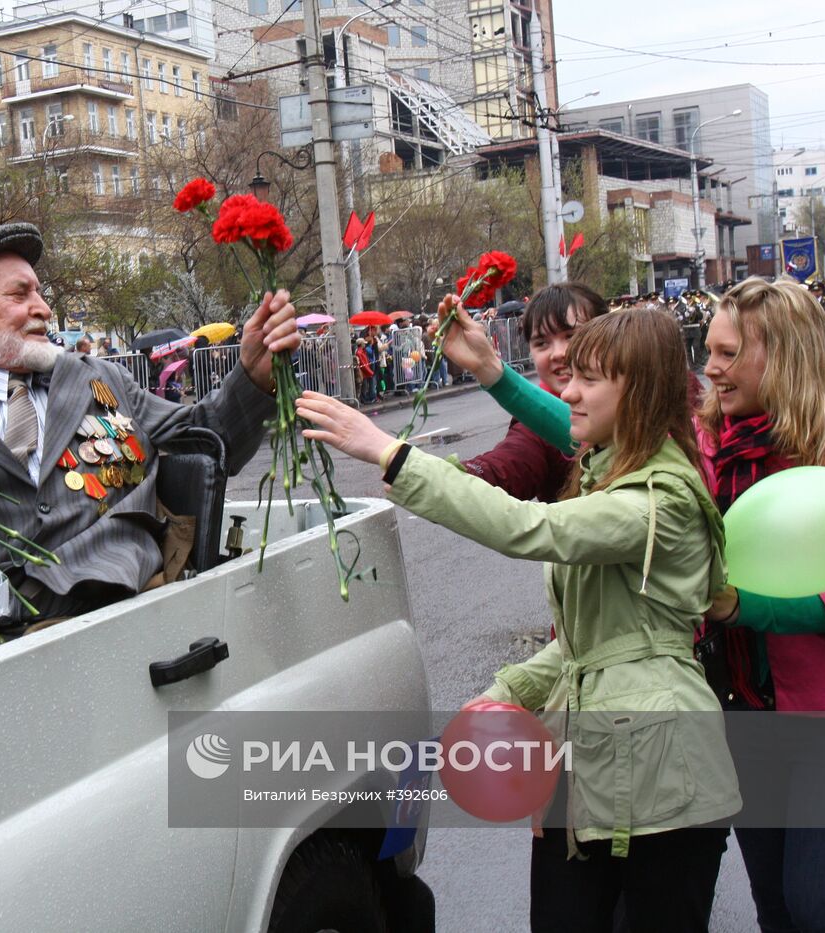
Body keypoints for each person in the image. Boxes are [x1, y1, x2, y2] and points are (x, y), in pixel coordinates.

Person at [298, 308, 740, 932]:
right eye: (569, 375)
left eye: (590, 379)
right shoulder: (612, 475)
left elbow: (526, 528)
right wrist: (497, 698)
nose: (568, 392)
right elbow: (591, 647)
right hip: (591, 763)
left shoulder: (658, 501)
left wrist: (390, 453)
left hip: (666, 774)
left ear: (637, 393)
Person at [0, 223, 301, 694]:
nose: (43, 309)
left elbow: (209, 441)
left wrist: (252, 376)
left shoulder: (101, 380)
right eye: (20, 294)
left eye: (40, 293)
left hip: (107, 613)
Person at [695, 277, 825, 931]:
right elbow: (589, 428)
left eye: (729, 352)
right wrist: (494, 375)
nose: (710, 367)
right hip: (743, 714)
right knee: (778, 908)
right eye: (709, 349)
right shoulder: (708, 443)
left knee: (821, 908)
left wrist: (752, 607)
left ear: (785, 355)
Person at [437, 283, 609, 502]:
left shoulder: (644, 399)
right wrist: (441, 479)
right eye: (541, 343)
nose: (558, 353)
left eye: (571, 336)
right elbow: (506, 468)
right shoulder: (533, 424)